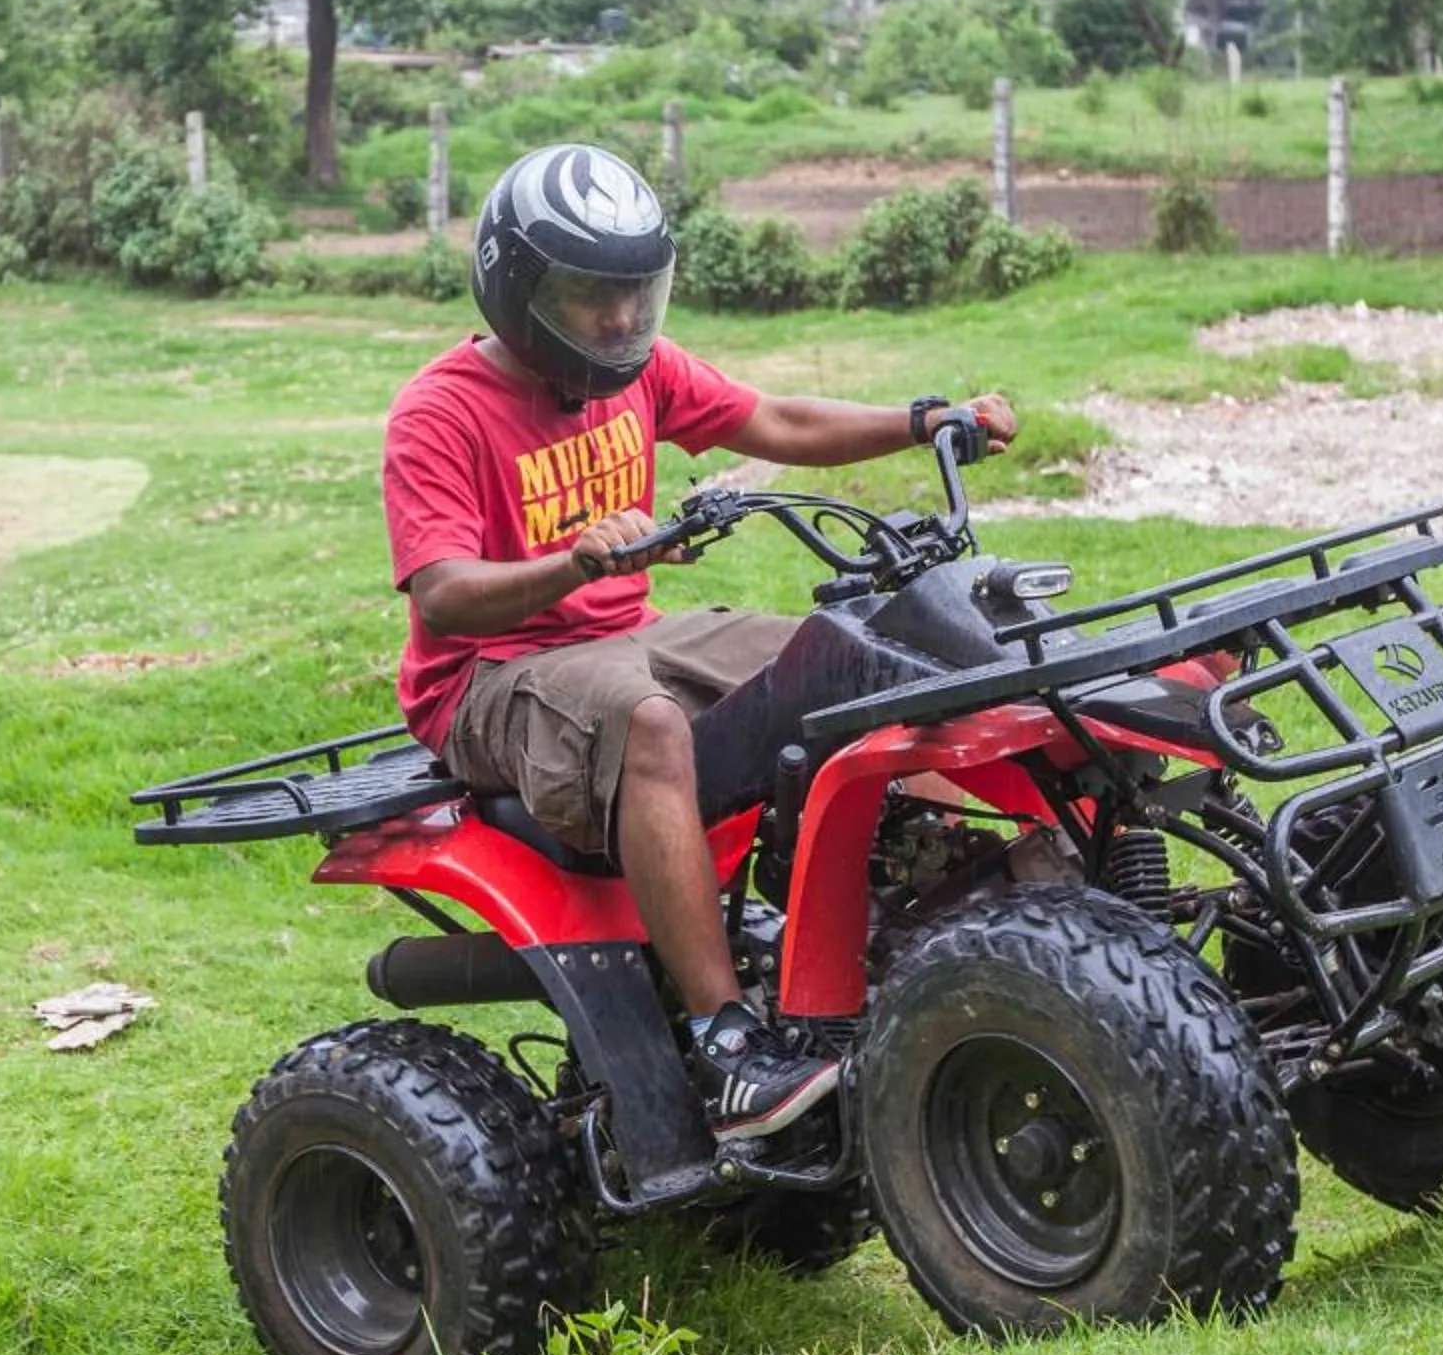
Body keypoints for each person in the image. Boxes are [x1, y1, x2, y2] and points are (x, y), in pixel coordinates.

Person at [383, 142, 1017, 1144]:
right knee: (649, 726)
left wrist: (920, 419)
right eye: (595, 294)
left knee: (855, 651)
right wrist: (575, 563)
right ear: (521, 287)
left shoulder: (636, 372)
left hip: (624, 629)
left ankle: (972, 903)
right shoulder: (441, 411)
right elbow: (448, 599)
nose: (624, 319)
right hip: (492, 674)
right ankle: (729, 1044)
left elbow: (774, 417)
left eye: (636, 293)